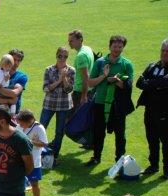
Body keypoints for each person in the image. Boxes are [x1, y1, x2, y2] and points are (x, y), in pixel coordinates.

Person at [86, 35, 134, 166]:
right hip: (100, 102)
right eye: (114, 46)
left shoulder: (127, 64)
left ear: (123, 47)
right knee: (98, 131)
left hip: (117, 105)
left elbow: (128, 86)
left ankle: (119, 161)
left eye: (120, 47)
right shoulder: (100, 62)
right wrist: (104, 76)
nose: (117, 49)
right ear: (109, 46)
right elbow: (90, 83)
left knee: (120, 134)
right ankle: (96, 157)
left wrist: (116, 81)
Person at [136, 38, 168, 178]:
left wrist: (150, 83)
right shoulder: (152, 66)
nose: (165, 53)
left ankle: (167, 170)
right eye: (163, 50)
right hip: (149, 109)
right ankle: (153, 165)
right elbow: (139, 82)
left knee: (166, 141)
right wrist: (156, 85)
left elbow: (164, 82)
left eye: (167, 51)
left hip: (165, 111)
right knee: (151, 138)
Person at [40, 46, 75, 164]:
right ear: (56, 55)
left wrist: (64, 78)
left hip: (64, 106)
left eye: (65, 56)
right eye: (60, 56)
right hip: (49, 104)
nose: (62, 59)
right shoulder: (49, 69)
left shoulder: (71, 70)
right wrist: (59, 80)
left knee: (59, 132)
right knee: (41, 128)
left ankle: (54, 157)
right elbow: (45, 88)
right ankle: (37, 153)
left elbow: (69, 90)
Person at [15, 109, 48, 196]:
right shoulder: (19, 126)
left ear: (29, 121)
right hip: (19, 161)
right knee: (17, 184)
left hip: (34, 162)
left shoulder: (39, 128)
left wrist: (29, 142)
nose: (20, 125)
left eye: (22, 123)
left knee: (34, 184)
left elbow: (44, 143)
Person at [0, 49, 28, 114]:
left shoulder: (21, 76)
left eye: (19, 60)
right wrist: (8, 101)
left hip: (13, 115)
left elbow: (14, 93)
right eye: (14, 59)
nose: (16, 63)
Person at [67, 29, 95, 110]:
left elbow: (85, 76)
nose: (69, 43)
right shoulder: (88, 48)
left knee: (72, 116)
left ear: (80, 40)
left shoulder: (81, 56)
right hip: (88, 90)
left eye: (71, 41)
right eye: (69, 41)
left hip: (80, 92)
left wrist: (83, 96)